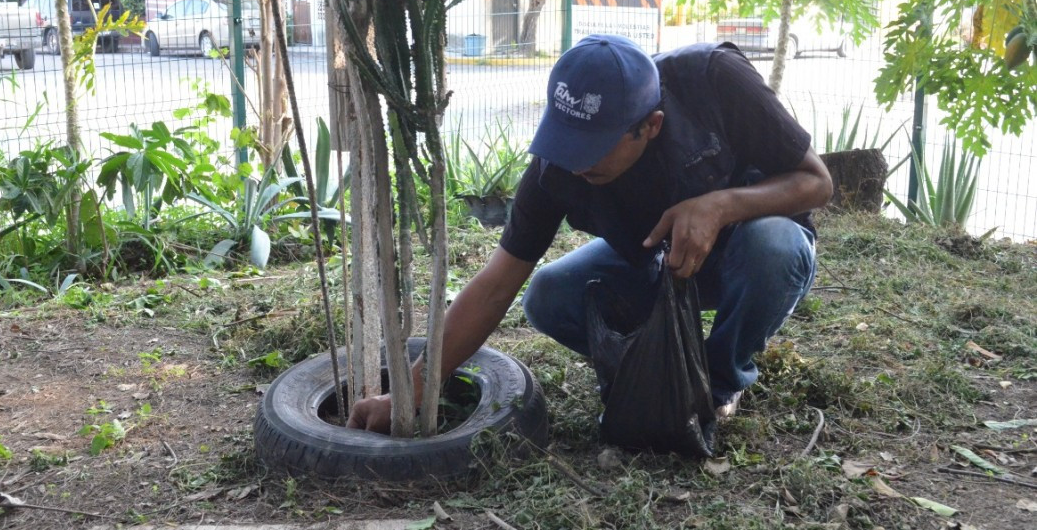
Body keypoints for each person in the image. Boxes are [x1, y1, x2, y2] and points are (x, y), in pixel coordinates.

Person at [348, 34, 833, 434]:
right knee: (549, 296)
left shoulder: (713, 79)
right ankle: (655, 372)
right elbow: (497, 284)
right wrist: (413, 390)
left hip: (746, 260)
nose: (576, 162)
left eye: (595, 147)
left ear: (651, 126)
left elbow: (817, 183)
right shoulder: (556, 168)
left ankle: (719, 383)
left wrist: (720, 206)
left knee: (774, 246)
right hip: (657, 265)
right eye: (567, 141)